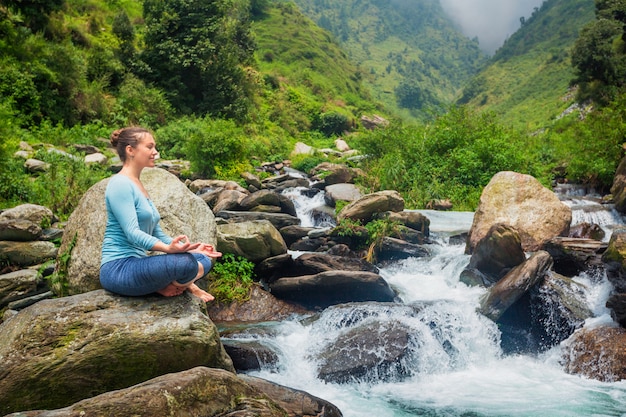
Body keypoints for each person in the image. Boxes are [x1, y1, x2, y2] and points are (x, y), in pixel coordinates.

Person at [99, 126, 221, 302]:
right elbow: (132, 233)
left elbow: (156, 233)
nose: (155, 152)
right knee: (186, 264)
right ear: (130, 150)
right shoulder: (120, 184)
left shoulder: (138, 184)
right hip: (119, 269)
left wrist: (190, 247)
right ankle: (174, 285)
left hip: (138, 265)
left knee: (204, 258)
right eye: (149, 147)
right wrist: (168, 250)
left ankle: (165, 285)